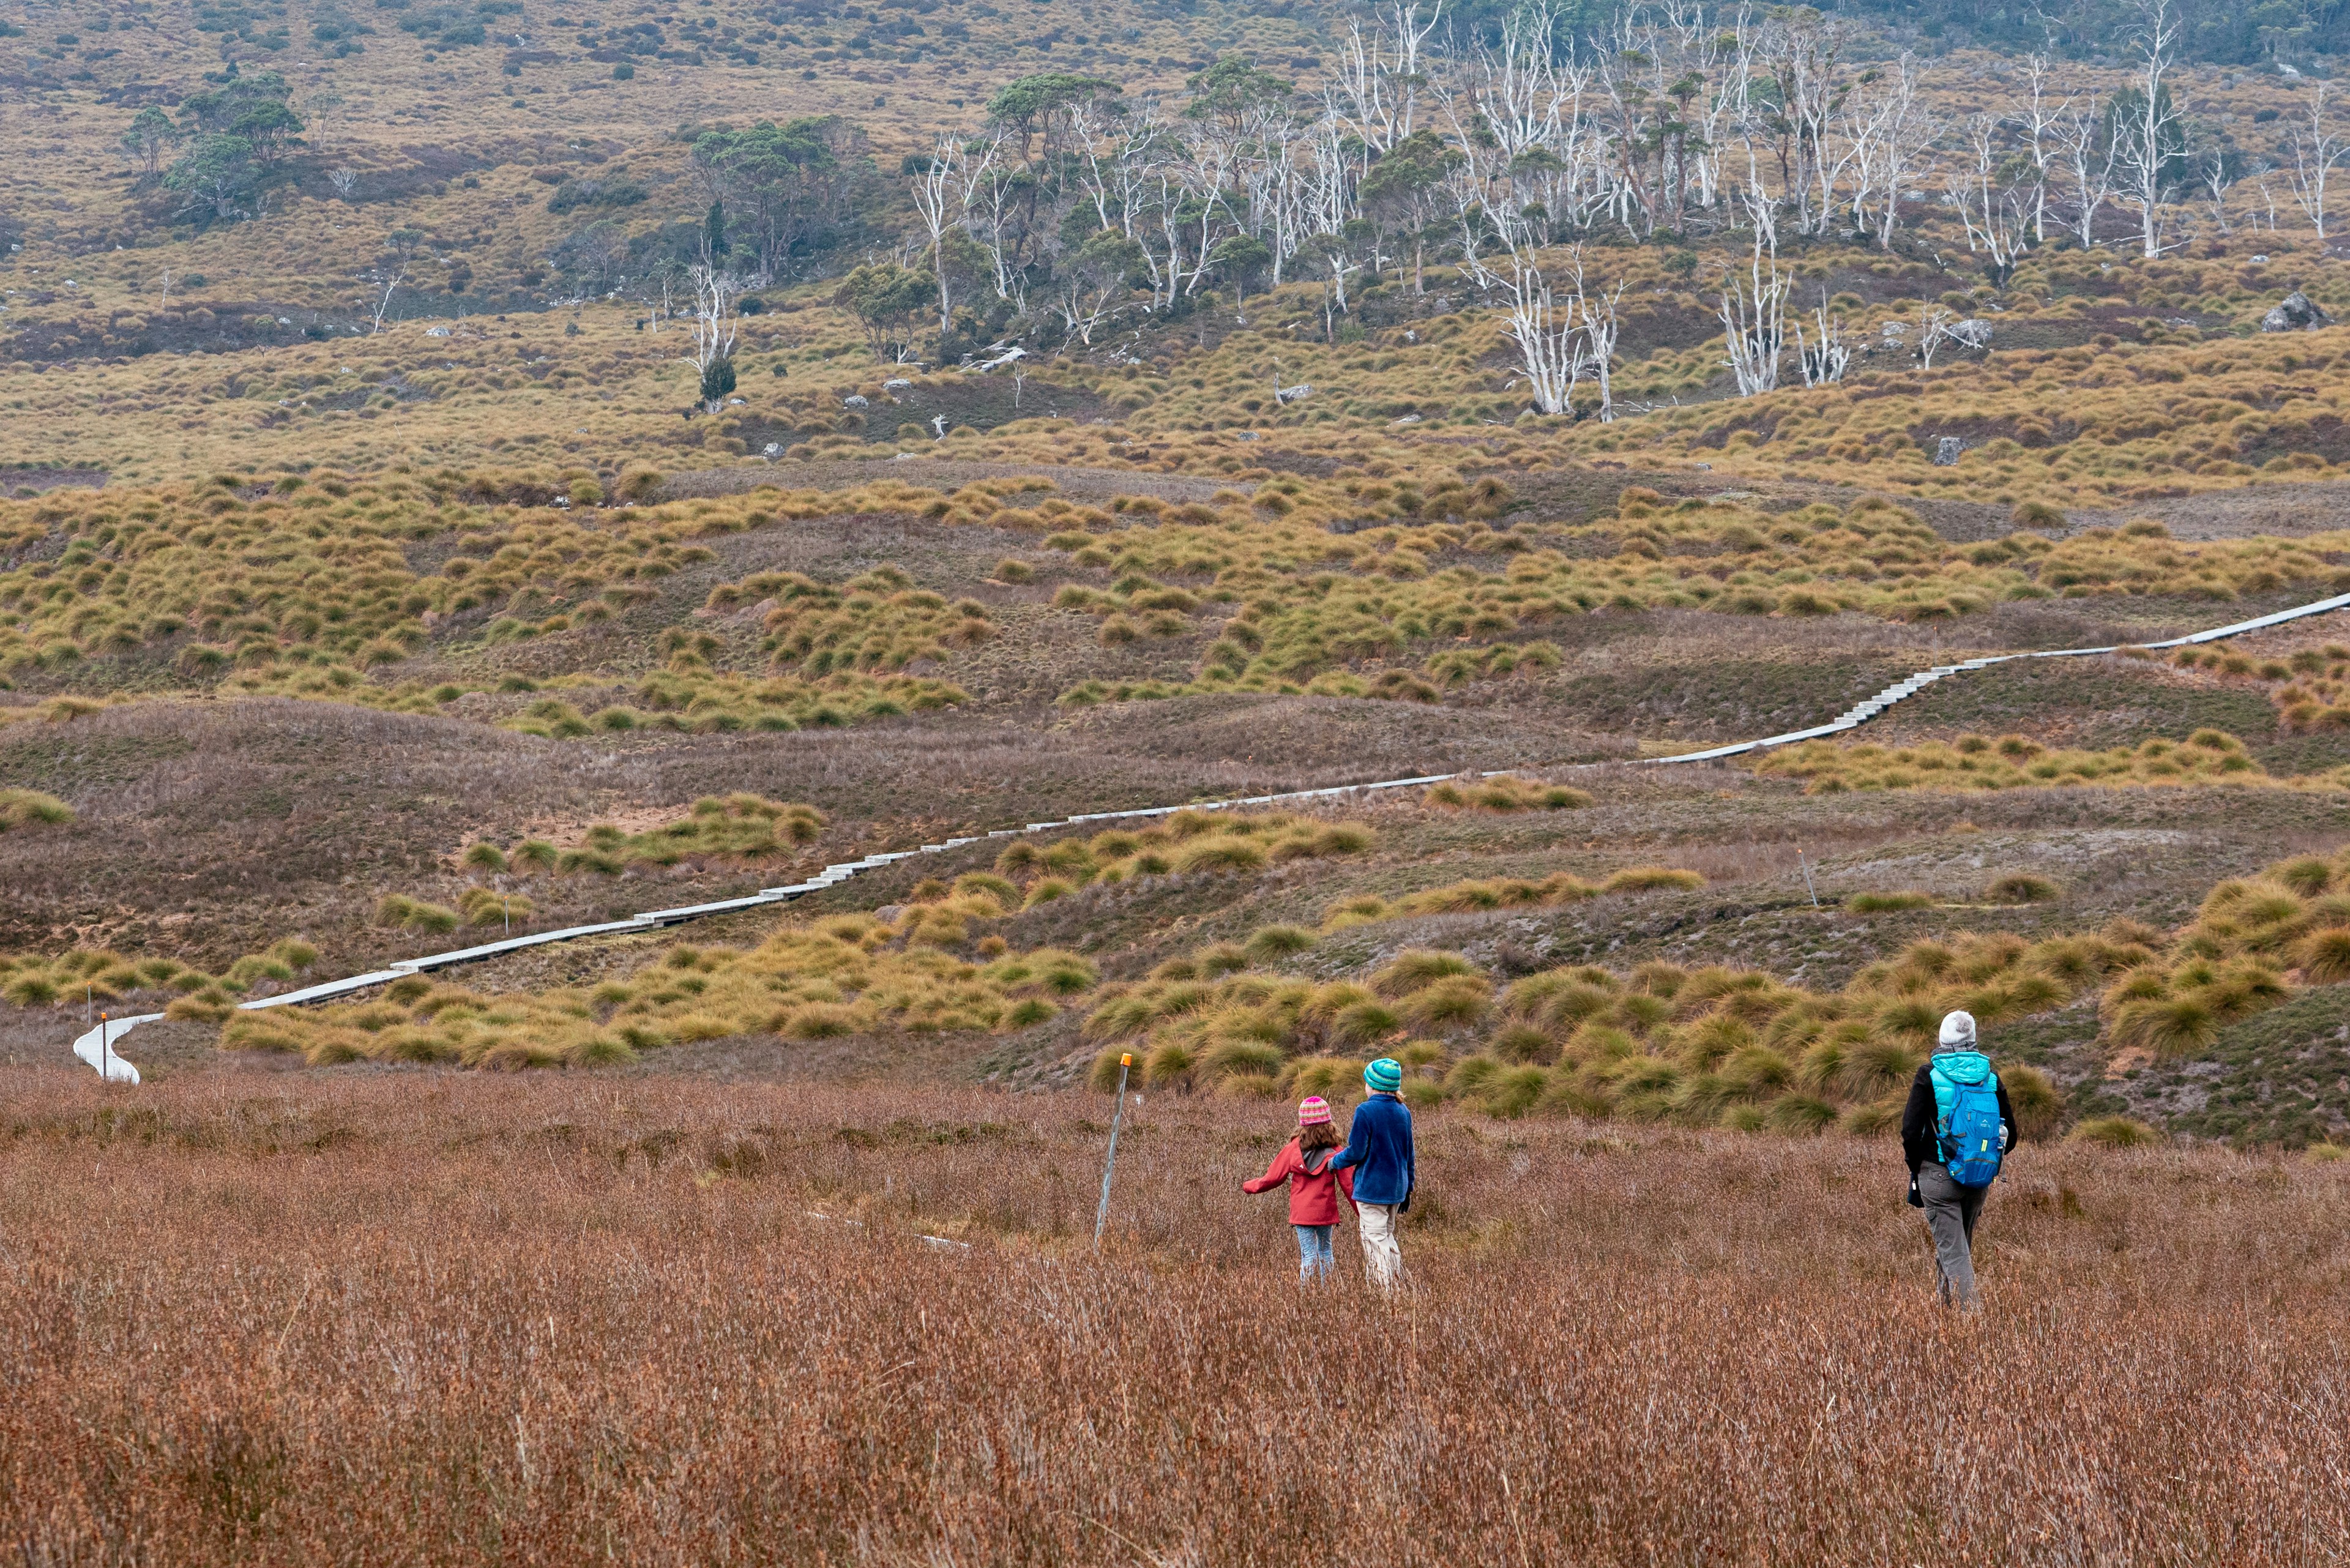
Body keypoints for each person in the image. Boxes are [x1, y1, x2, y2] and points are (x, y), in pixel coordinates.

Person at [1901, 1010, 2018, 1310]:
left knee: (1954, 1254)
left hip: (1938, 1177)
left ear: (1942, 1039)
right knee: (1956, 1248)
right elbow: (2012, 1136)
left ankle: (1973, 1325)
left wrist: (1919, 1170)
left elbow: (1910, 1132)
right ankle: (1945, 1312)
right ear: (1973, 1039)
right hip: (1979, 1176)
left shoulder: (1928, 1074)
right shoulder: (1990, 1077)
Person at [1240, 1096, 1356, 1282]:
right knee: (1326, 1250)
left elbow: (1272, 1179)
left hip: (1302, 1213)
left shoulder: (1292, 1149)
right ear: (1329, 1122)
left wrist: (1248, 1186)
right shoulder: (1338, 1151)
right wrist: (1362, 1213)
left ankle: (1306, 1295)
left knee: (1308, 1254)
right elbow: (1349, 1185)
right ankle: (1327, 1295)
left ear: (1303, 1123)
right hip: (1325, 1212)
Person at [1330, 1058, 1415, 1291]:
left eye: (1366, 1081)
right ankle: (1398, 1287)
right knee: (1387, 1238)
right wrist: (1408, 1188)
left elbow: (1356, 1151)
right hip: (1397, 1189)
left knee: (1374, 1241)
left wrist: (1334, 1162)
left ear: (1373, 1085)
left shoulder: (1365, 1111)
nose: (1364, 1086)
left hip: (1372, 1190)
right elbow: (1409, 1153)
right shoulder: (1403, 1111)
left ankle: (1384, 1295)